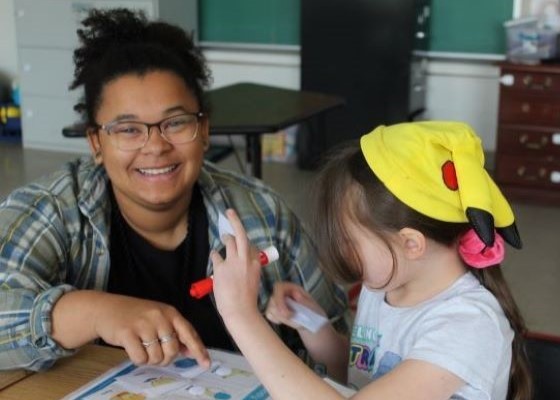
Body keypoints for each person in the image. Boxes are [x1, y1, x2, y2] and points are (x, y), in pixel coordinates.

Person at [0, 8, 348, 371]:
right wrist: (96, 312)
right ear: (96, 144)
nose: (155, 146)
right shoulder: (56, 209)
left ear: (205, 129)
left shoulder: (263, 215)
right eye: (129, 129)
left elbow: (343, 350)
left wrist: (313, 327)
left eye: (176, 123)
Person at [212, 121, 533, 400]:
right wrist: (313, 325)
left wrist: (240, 315)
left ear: (410, 243)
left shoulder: (468, 325)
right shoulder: (387, 287)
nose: (341, 251)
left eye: (350, 241)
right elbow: (362, 375)